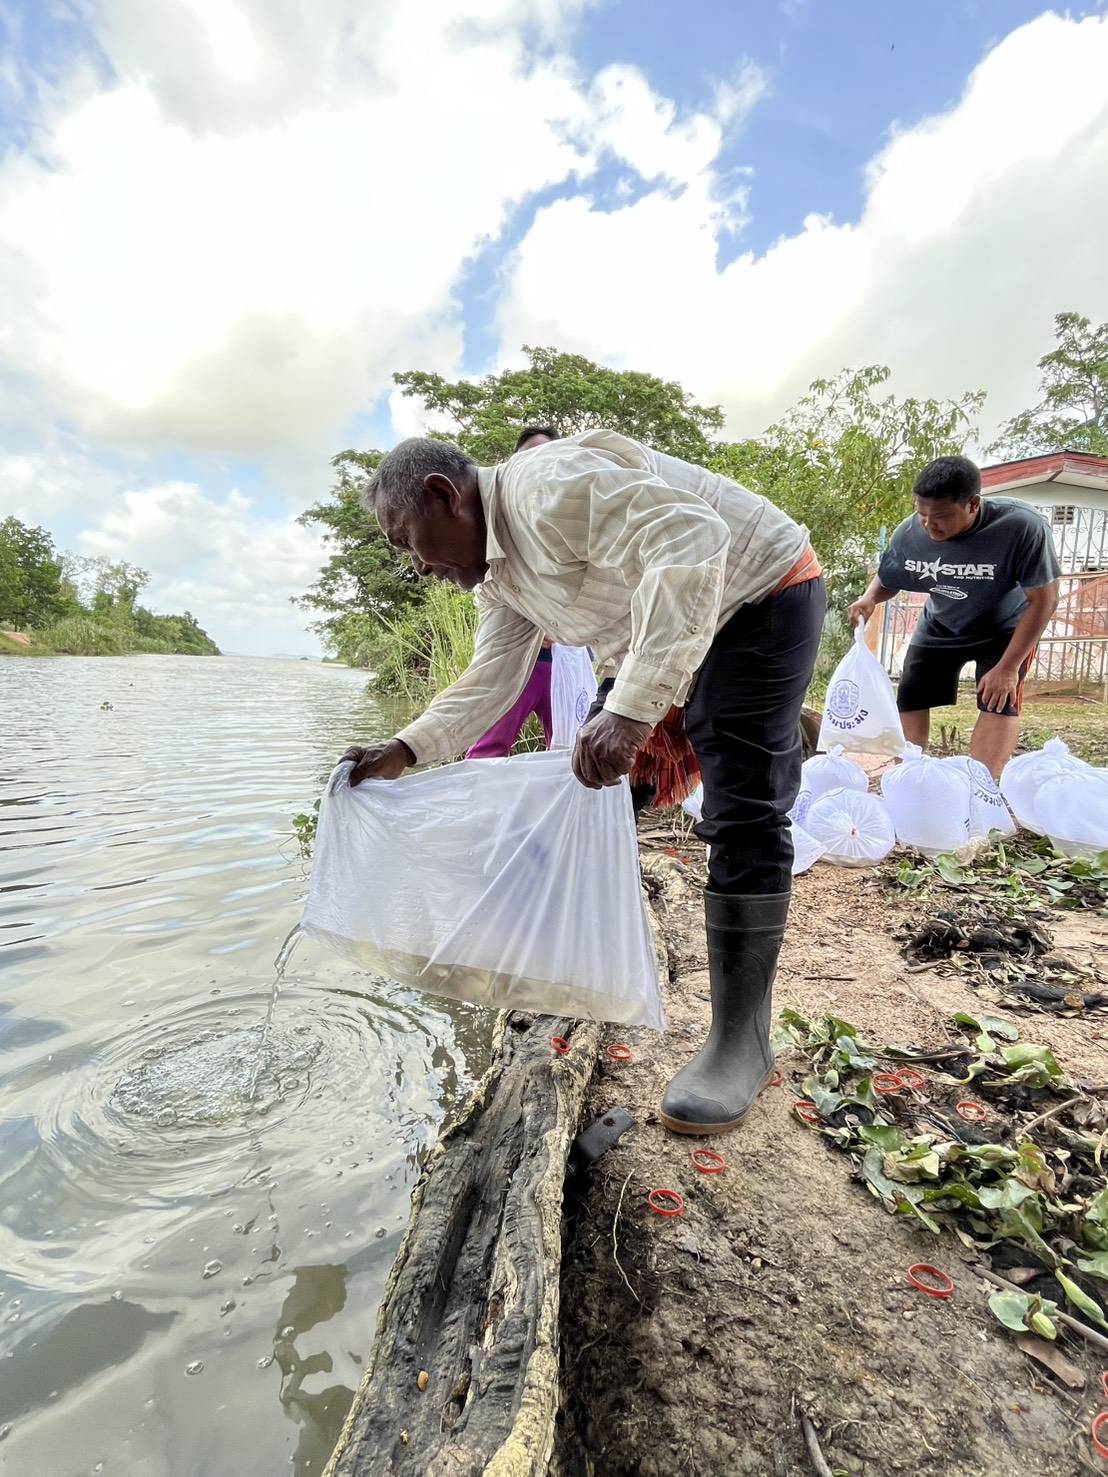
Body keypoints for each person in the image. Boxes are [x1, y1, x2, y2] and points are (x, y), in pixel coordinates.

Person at [339, 429, 824, 1136]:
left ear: (446, 496)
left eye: (405, 538)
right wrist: (405, 750)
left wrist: (628, 712)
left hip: (761, 594)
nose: (412, 563)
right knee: (588, 787)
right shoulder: (498, 574)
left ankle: (739, 1043)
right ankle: (568, 971)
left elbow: (693, 537)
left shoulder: (544, 488)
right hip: (659, 631)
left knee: (740, 801)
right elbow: (494, 678)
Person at [848, 456, 1060, 776]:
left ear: (973, 504)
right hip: (940, 625)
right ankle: (909, 775)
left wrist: (1009, 667)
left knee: (998, 699)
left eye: (942, 516)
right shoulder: (910, 533)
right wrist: (869, 599)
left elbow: (1044, 601)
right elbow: (889, 577)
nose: (930, 525)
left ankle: (980, 786)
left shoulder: (1021, 527)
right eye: (922, 515)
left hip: (1005, 629)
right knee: (912, 695)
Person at [465, 427, 560, 759]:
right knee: (487, 749)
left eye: (546, 456)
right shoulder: (499, 529)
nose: (537, 465)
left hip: (566, 665)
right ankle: (481, 808)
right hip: (520, 665)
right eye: (528, 457)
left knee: (569, 749)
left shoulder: (572, 520)